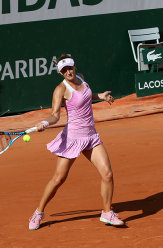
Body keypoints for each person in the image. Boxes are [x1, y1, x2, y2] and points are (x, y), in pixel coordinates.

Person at [28, 54, 124, 230]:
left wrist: (100, 96)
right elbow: (55, 114)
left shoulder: (82, 78)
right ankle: (38, 212)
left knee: (107, 174)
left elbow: (86, 96)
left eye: (70, 68)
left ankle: (107, 212)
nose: (68, 72)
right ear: (61, 72)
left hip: (91, 136)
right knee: (58, 179)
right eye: (64, 70)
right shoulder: (60, 90)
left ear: (74, 67)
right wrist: (44, 122)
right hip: (73, 138)